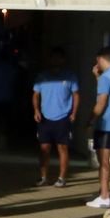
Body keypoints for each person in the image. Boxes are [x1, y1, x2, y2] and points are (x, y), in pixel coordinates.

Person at [32, 49, 78, 188]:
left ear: (63, 60)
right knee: (44, 148)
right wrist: (36, 110)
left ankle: (62, 177)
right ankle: (43, 177)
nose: (56, 61)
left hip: (63, 117)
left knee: (62, 148)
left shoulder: (70, 77)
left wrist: (74, 112)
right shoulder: (42, 76)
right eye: (53, 58)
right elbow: (35, 94)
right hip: (45, 118)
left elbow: (76, 95)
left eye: (59, 58)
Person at [86, 47, 110, 210]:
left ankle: (104, 196)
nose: (97, 64)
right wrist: (97, 77)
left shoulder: (106, 78)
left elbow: (102, 101)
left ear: (101, 59)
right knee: (106, 160)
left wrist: (90, 120)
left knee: (103, 162)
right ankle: (103, 191)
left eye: (97, 61)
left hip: (106, 124)